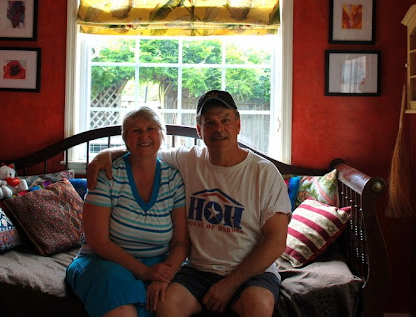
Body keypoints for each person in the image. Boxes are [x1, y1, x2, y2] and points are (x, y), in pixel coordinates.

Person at [87, 90, 292, 317]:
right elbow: (145, 150)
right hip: (199, 269)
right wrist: (107, 154)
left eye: (225, 120)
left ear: (238, 125)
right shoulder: (187, 160)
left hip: (250, 272)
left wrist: (230, 284)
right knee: (164, 305)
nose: (218, 128)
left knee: (258, 306)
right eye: (209, 123)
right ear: (199, 130)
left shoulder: (264, 173)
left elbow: (276, 242)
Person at [66, 106, 189, 317]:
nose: (144, 136)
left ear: (162, 135)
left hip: (159, 263)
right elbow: (99, 242)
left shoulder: (174, 179)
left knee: (168, 302)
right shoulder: (107, 175)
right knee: (121, 310)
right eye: (135, 130)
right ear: (125, 138)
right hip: (104, 263)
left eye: (151, 129)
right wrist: (145, 272)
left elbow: (181, 242)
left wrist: (164, 275)